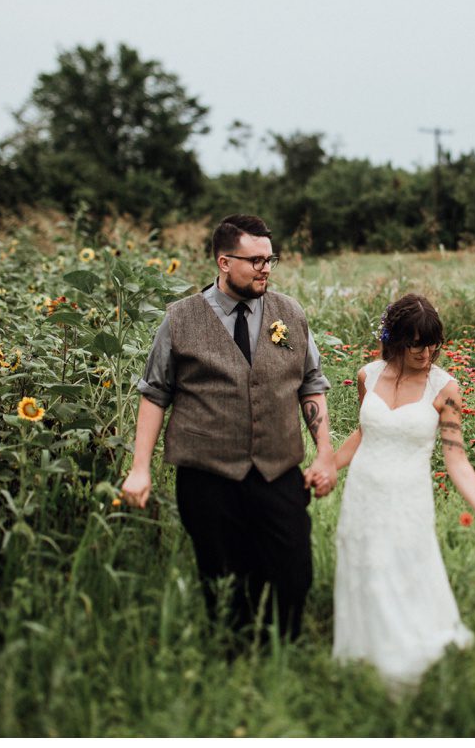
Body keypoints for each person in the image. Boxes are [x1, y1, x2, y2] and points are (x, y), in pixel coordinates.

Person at [122, 214, 337, 650]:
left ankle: (285, 655)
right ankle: (234, 662)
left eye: (269, 259)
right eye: (255, 260)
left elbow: (311, 384)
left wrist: (325, 452)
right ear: (223, 261)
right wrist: (139, 468)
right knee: (224, 577)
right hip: (208, 476)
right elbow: (154, 393)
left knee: (293, 571)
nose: (265, 268)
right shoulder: (179, 320)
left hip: (277, 470)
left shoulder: (289, 313)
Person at [332, 293, 475, 692]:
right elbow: (365, 433)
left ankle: (406, 673)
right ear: (396, 338)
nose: (426, 352)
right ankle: (366, 660)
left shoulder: (445, 388)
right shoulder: (368, 375)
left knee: (402, 578)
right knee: (365, 572)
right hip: (363, 494)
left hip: (408, 500)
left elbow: (457, 459)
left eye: (433, 343)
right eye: (417, 342)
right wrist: (325, 466)